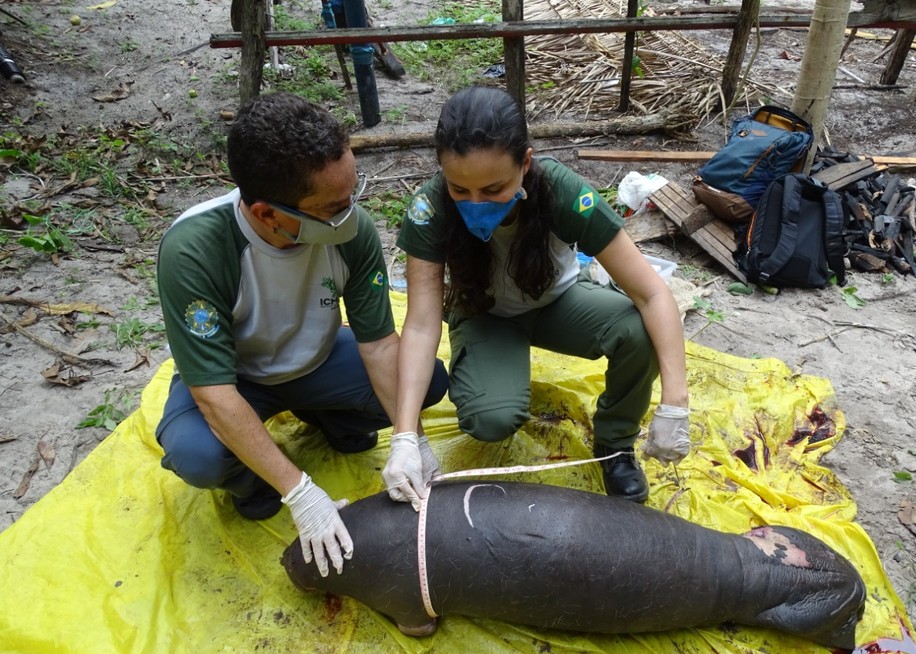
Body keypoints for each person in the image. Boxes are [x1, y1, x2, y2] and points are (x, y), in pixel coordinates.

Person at [155, 92, 448, 577]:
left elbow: (377, 345)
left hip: (317, 362)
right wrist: (302, 493)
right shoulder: (196, 249)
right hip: (236, 380)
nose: (349, 213)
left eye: (351, 194)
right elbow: (212, 393)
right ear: (267, 213)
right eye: (332, 206)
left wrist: (408, 438)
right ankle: (258, 483)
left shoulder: (351, 231)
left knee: (425, 383)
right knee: (197, 455)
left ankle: (331, 419)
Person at [382, 85, 689, 508]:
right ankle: (496, 371)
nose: (475, 203)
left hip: (557, 302)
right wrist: (405, 437)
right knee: (490, 420)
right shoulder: (429, 208)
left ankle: (615, 444)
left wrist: (675, 403)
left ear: (525, 164)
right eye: (459, 189)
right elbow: (419, 323)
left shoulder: (562, 192)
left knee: (639, 330)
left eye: (492, 189)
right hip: (485, 314)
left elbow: (652, 293)